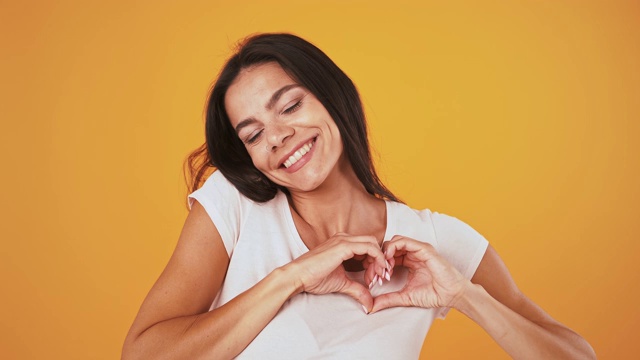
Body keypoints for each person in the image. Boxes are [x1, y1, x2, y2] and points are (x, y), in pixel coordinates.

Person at [122, 33, 595, 359]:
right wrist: (291, 278)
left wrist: (467, 296)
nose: (278, 137)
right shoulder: (235, 206)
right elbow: (144, 353)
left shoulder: (433, 241)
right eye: (253, 134)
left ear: (333, 96)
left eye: (290, 105)